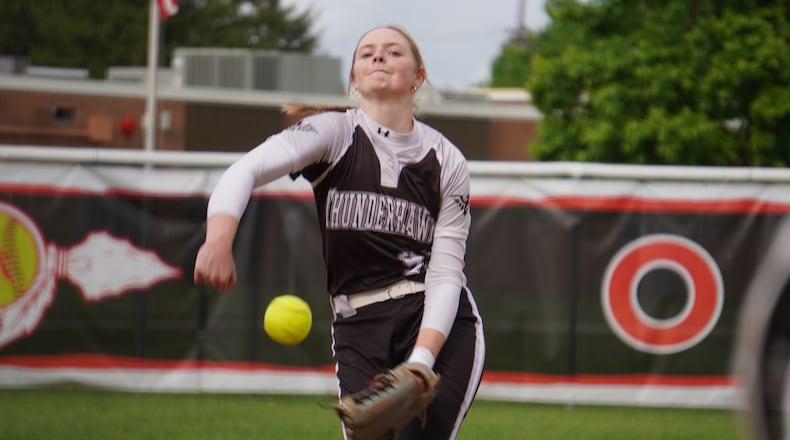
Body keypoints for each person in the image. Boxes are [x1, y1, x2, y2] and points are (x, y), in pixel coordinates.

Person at [193, 25, 486, 439]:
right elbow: (246, 169)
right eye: (366, 53)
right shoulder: (334, 132)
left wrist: (421, 361)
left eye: (393, 52)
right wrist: (218, 239)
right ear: (353, 78)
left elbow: (446, 272)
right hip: (357, 325)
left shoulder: (447, 161)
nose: (378, 57)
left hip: (439, 323)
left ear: (418, 77)